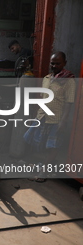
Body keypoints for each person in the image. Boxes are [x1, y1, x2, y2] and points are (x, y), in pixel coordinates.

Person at [23, 51, 76, 181]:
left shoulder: (68, 80)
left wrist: (63, 122)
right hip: (42, 116)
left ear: (64, 63)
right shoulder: (46, 78)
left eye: (58, 63)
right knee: (31, 138)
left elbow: (69, 102)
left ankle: (43, 172)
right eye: (52, 63)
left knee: (54, 145)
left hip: (57, 118)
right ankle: (40, 165)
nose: (54, 66)